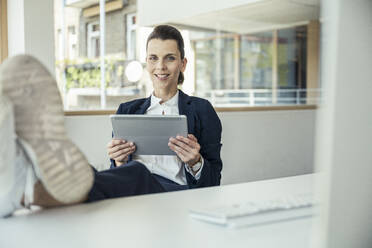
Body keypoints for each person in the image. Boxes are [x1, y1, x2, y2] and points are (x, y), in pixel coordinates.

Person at [0, 25, 222, 217]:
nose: (160, 67)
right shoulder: (128, 110)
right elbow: (116, 173)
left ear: (183, 64)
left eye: (170, 58)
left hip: (174, 194)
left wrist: (196, 162)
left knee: (135, 172)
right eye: (153, 58)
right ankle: (23, 191)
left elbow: (213, 183)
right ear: (146, 63)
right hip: (132, 190)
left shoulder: (201, 110)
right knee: (92, 173)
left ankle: (22, 186)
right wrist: (118, 160)